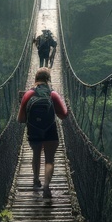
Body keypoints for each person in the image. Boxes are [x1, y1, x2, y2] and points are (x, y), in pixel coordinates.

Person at [18, 68, 69, 202]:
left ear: (36, 79)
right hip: (50, 130)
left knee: (36, 154)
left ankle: (36, 179)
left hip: (34, 131)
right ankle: (46, 186)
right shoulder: (53, 94)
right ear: (48, 80)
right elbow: (63, 115)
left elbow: (20, 119)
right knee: (49, 160)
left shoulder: (28, 94)